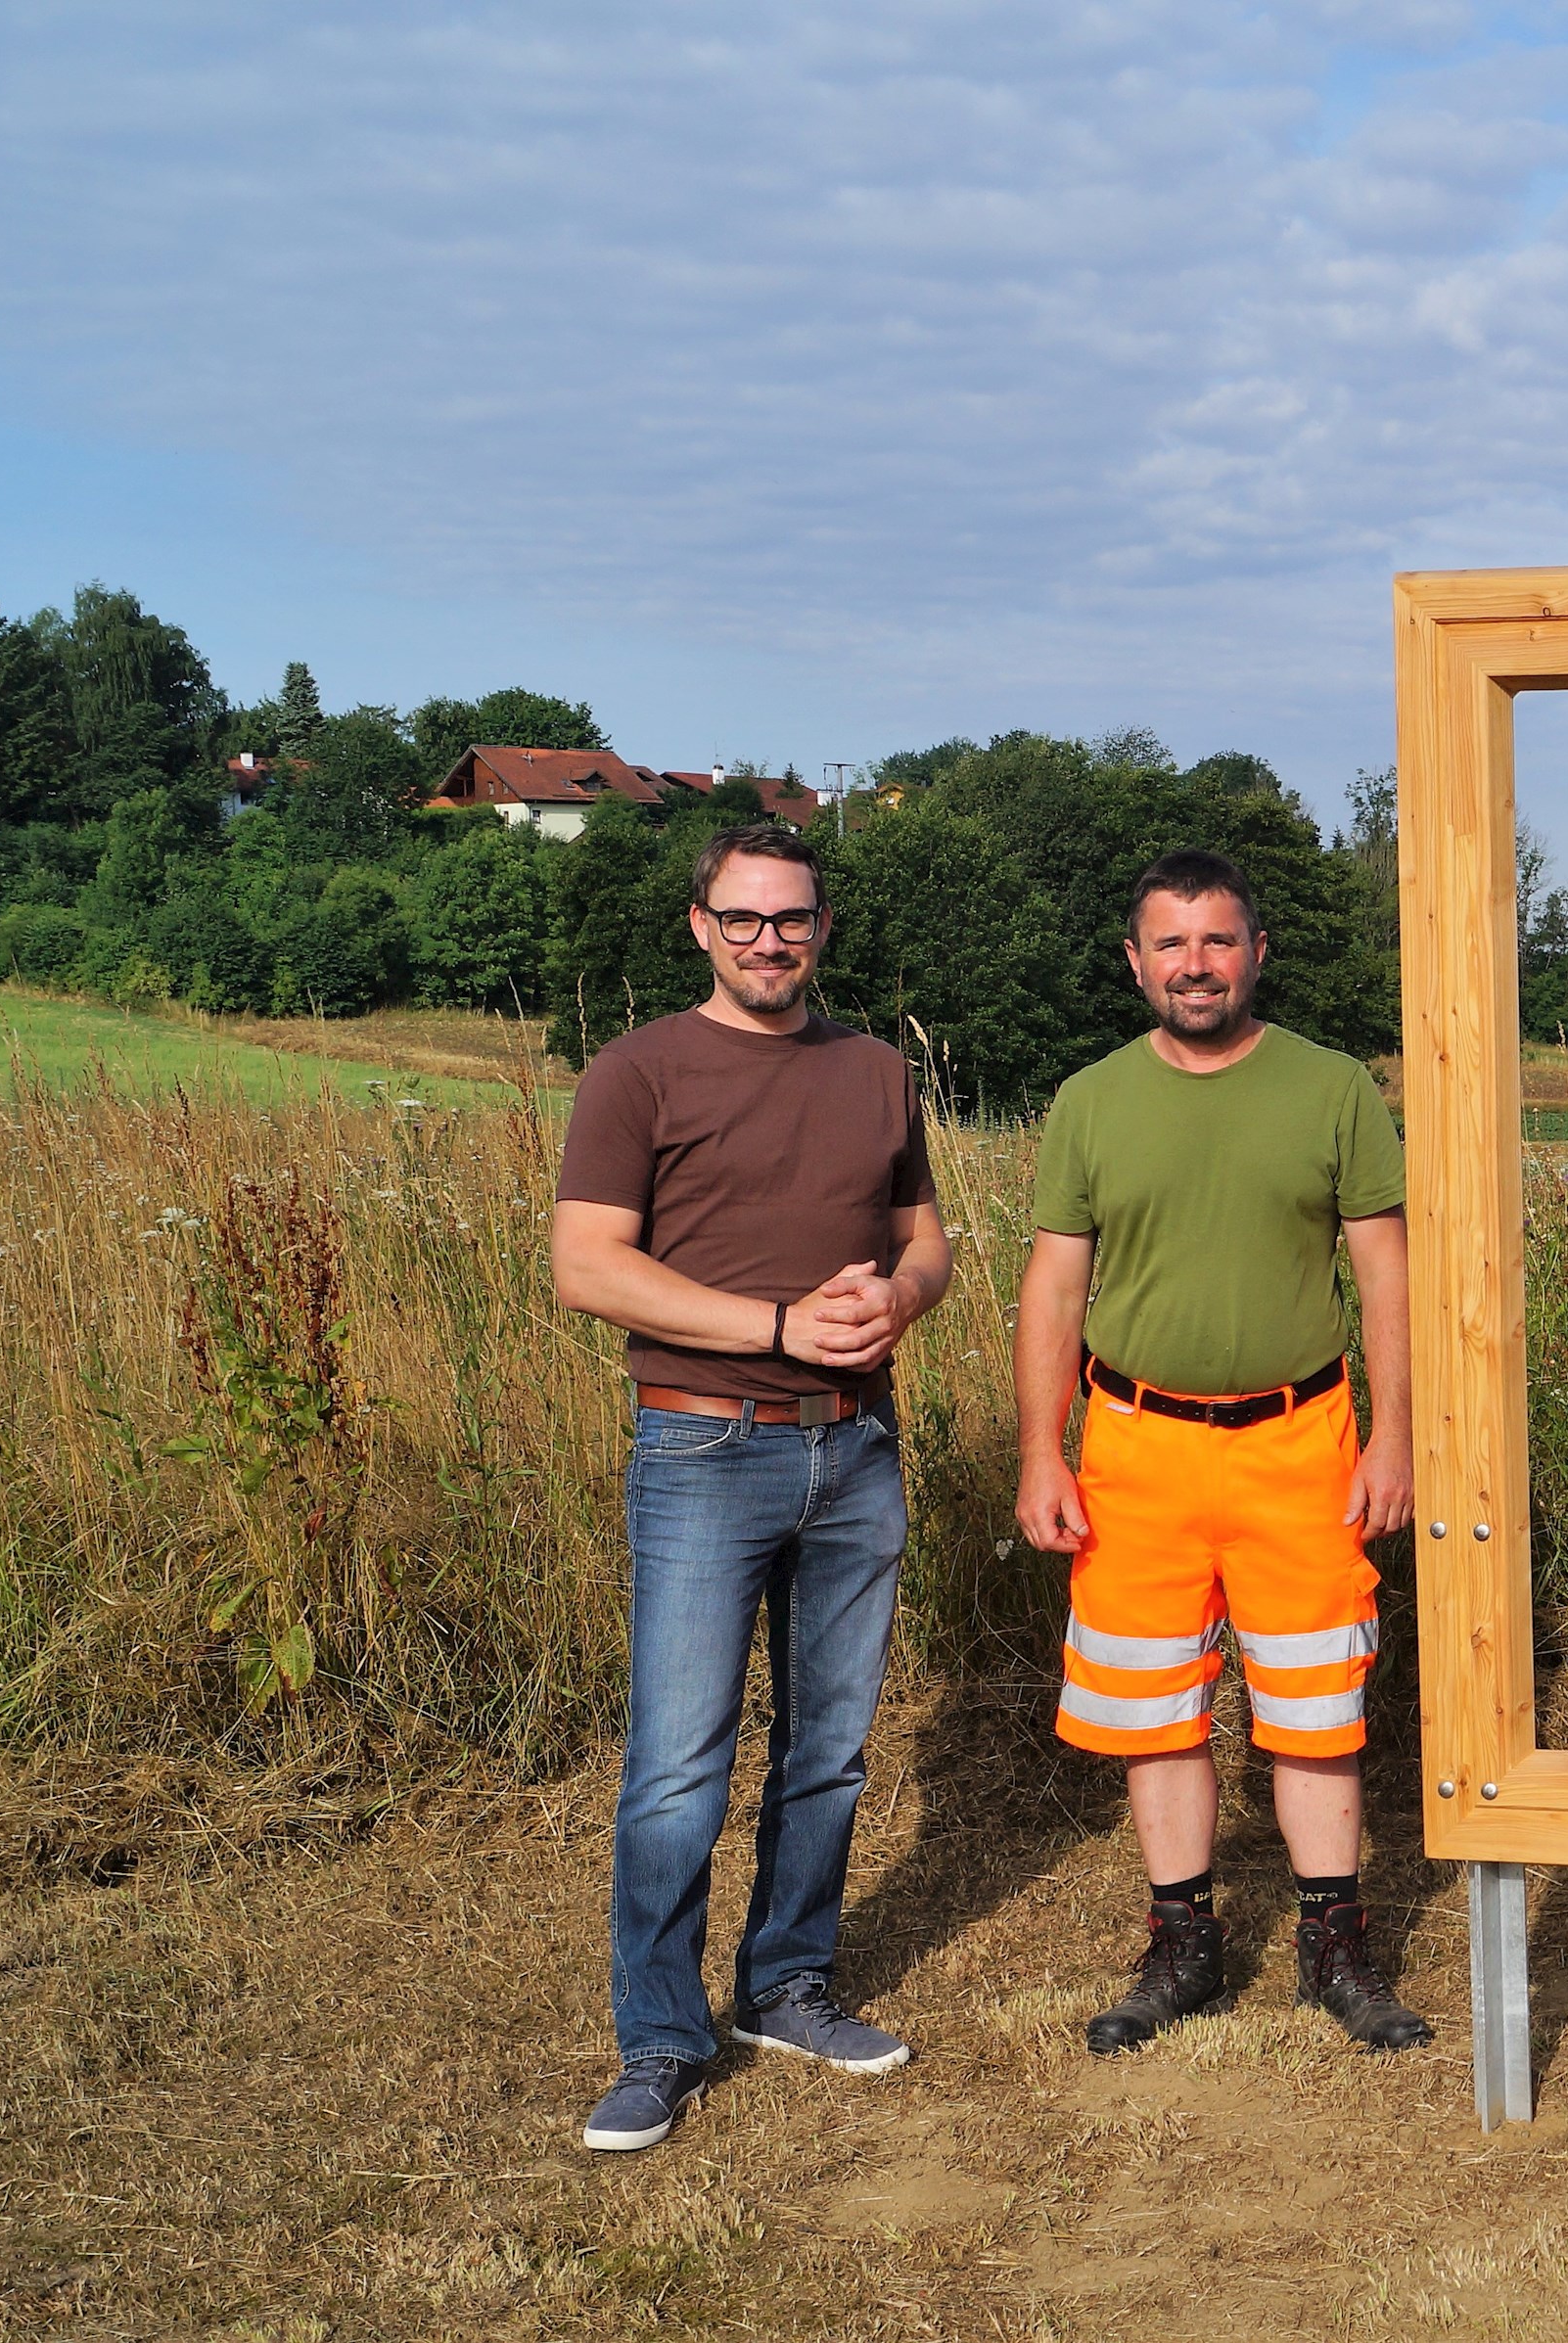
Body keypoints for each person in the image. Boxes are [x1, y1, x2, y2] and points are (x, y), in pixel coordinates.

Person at [551, 822, 953, 2153]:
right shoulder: (638, 1071)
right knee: (677, 1765)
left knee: (828, 1753)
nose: (767, 939)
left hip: (857, 1448)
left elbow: (925, 1242)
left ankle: (788, 1984)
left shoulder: (877, 1072)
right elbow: (591, 1268)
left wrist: (895, 1297)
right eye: (743, 917)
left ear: (822, 927)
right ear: (699, 925)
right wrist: (777, 1326)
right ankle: (659, 2040)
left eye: (790, 918)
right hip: (705, 1448)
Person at [1015, 849, 1432, 2057]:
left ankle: (1334, 1950)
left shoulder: (1331, 1087)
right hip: (1134, 1447)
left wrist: (1393, 1434)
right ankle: (1183, 1947)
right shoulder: (1092, 1098)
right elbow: (1053, 1283)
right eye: (1170, 944)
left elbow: (1383, 1268)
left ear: (1258, 952)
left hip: (1302, 1440)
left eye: (1218, 941)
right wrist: (1043, 1452)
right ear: (1135, 961)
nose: (1195, 966)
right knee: (1156, 1713)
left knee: (1316, 1708)